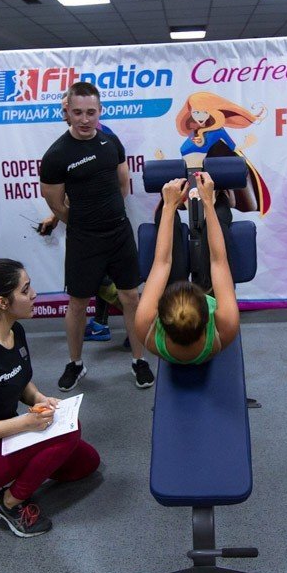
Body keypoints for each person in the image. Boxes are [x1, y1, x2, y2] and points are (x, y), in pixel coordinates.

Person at [0, 259, 100, 538]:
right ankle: (6, 502)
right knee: (70, 431)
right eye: (25, 290)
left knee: (88, 463)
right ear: (3, 303)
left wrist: (39, 397)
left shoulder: (14, 331)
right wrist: (26, 423)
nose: (34, 295)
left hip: (3, 435)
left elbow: (18, 379)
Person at [40, 81, 154, 391]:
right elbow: (55, 204)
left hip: (119, 233)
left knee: (131, 297)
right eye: (78, 112)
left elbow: (122, 186)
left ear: (100, 111)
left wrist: (107, 214)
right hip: (84, 239)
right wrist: (83, 222)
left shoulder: (111, 143)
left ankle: (139, 360)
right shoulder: (56, 155)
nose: (85, 119)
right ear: (68, 111)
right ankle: (75, 364)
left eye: (91, 112)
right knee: (78, 303)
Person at [135, 174, 241, 364]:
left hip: (178, 319)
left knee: (166, 222)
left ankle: (171, 201)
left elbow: (162, 262)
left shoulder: (145, 328)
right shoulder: (226, 327)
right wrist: (208, 202)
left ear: (159, 316)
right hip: (207, 301)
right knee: (220, 218)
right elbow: (218, 261)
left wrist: (168, 206)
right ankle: (221, 198)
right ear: (209, 316)